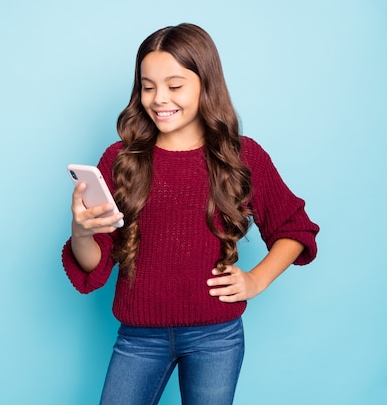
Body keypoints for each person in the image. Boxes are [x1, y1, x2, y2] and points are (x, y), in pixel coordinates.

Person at [61, 23, 319, 405]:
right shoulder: (120, 160)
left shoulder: (242, 156)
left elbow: (295, 228)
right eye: (148, 86)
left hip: (216, 336)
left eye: (174, 85)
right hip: (138, 336)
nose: (158, 98)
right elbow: (94, 263)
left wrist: (256, 281)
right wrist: (82, 232)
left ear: (205, 84)